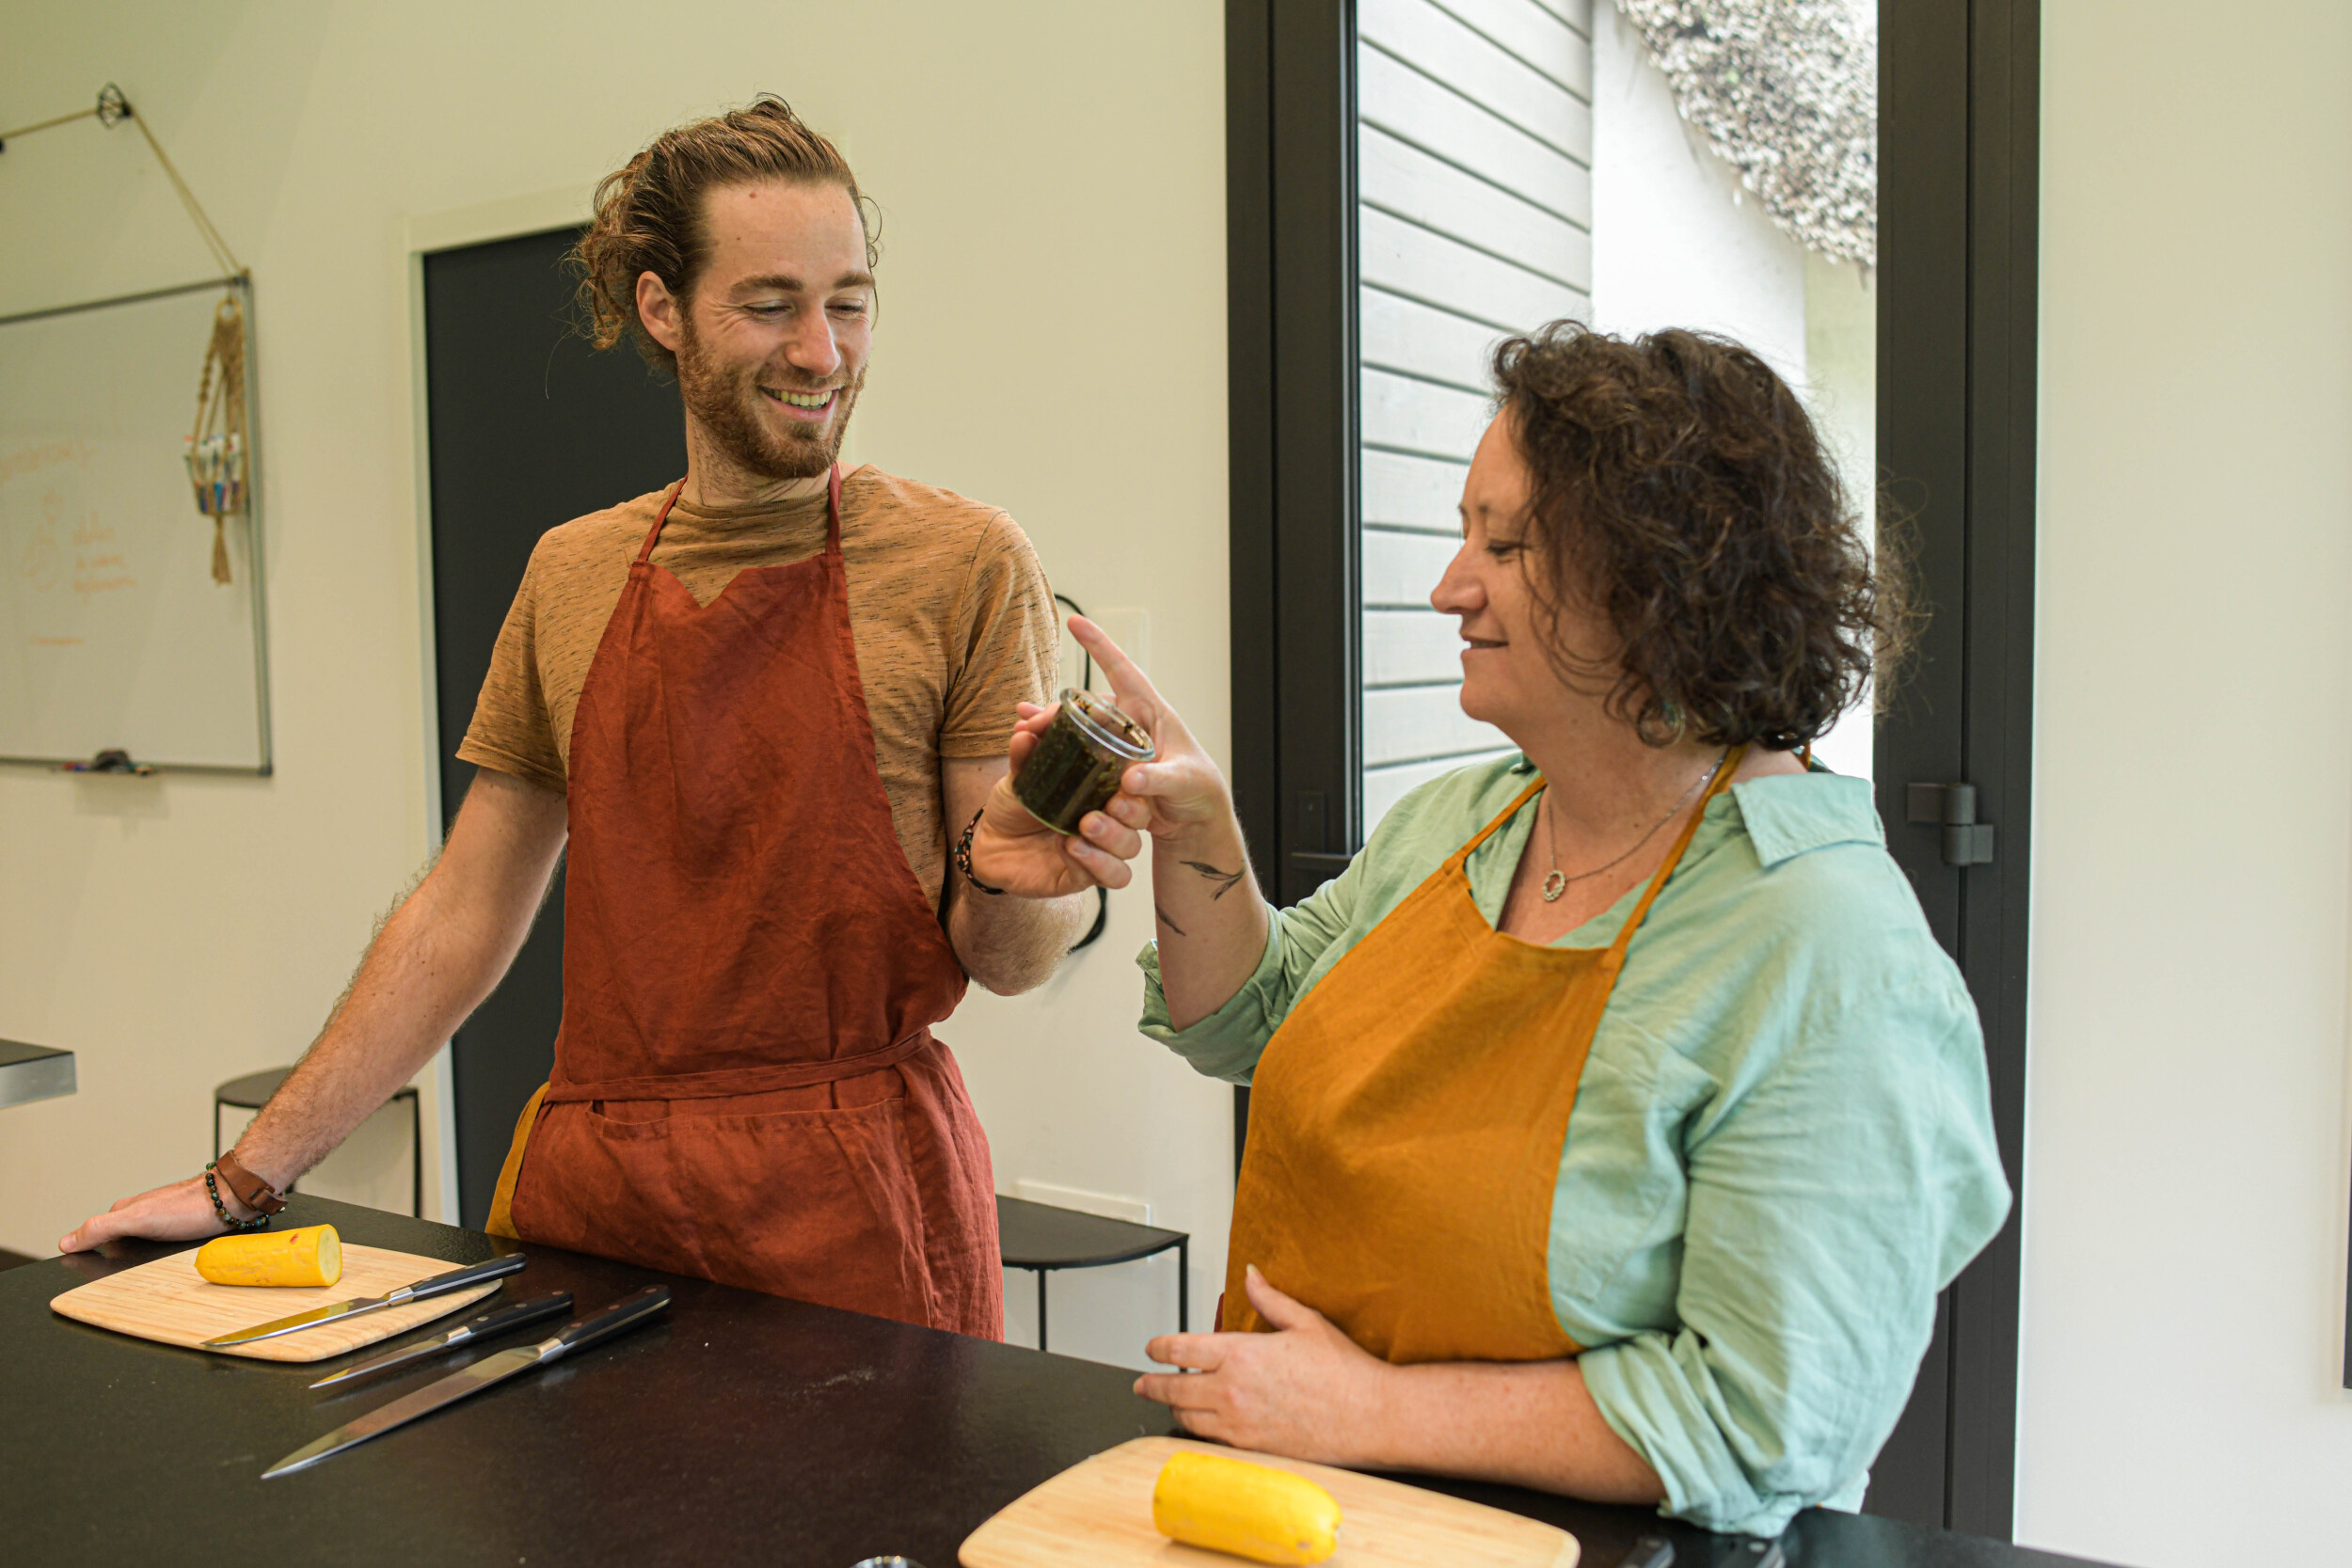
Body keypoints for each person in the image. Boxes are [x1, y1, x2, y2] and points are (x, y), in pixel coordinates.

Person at [58, 98, 1120, 1338]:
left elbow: (1008, 957)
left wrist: (1018, 880)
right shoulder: (571, 574)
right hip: (601, 1216)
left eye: (849, 300)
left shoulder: (964, 563)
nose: (824, 352)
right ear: (664, 311)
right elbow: (461, 914)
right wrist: (244, 1179)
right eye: (771, 304)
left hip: (858, 1219)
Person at [1042, 324, 2012, 1533]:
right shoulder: (1465, 824)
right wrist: (1193, 829)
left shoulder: (1825, 949)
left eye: (1505, 544)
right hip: (1306, 1511)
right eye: (1465, 533)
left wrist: (1373, 1410)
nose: (1450, 584)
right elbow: (1257, 1016)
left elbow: (1770, 1412)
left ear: (1660, 581)